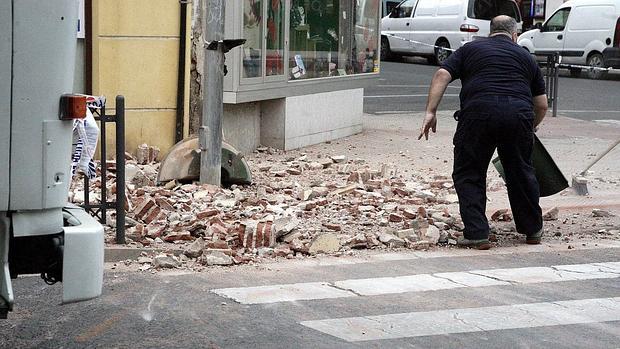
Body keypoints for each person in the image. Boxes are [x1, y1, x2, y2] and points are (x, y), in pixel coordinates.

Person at [418, 15, 548, 250]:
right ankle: (532, 230)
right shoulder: (526, 57)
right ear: (515, 35)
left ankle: (477, 233)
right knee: (521, 171)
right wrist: (529, 127)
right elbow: (541, 105)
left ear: (490, 32)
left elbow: (442, 75)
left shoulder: (470, 49)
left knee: (469, 171)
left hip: (478, 115)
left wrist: (430, 111)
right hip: (517, 116)